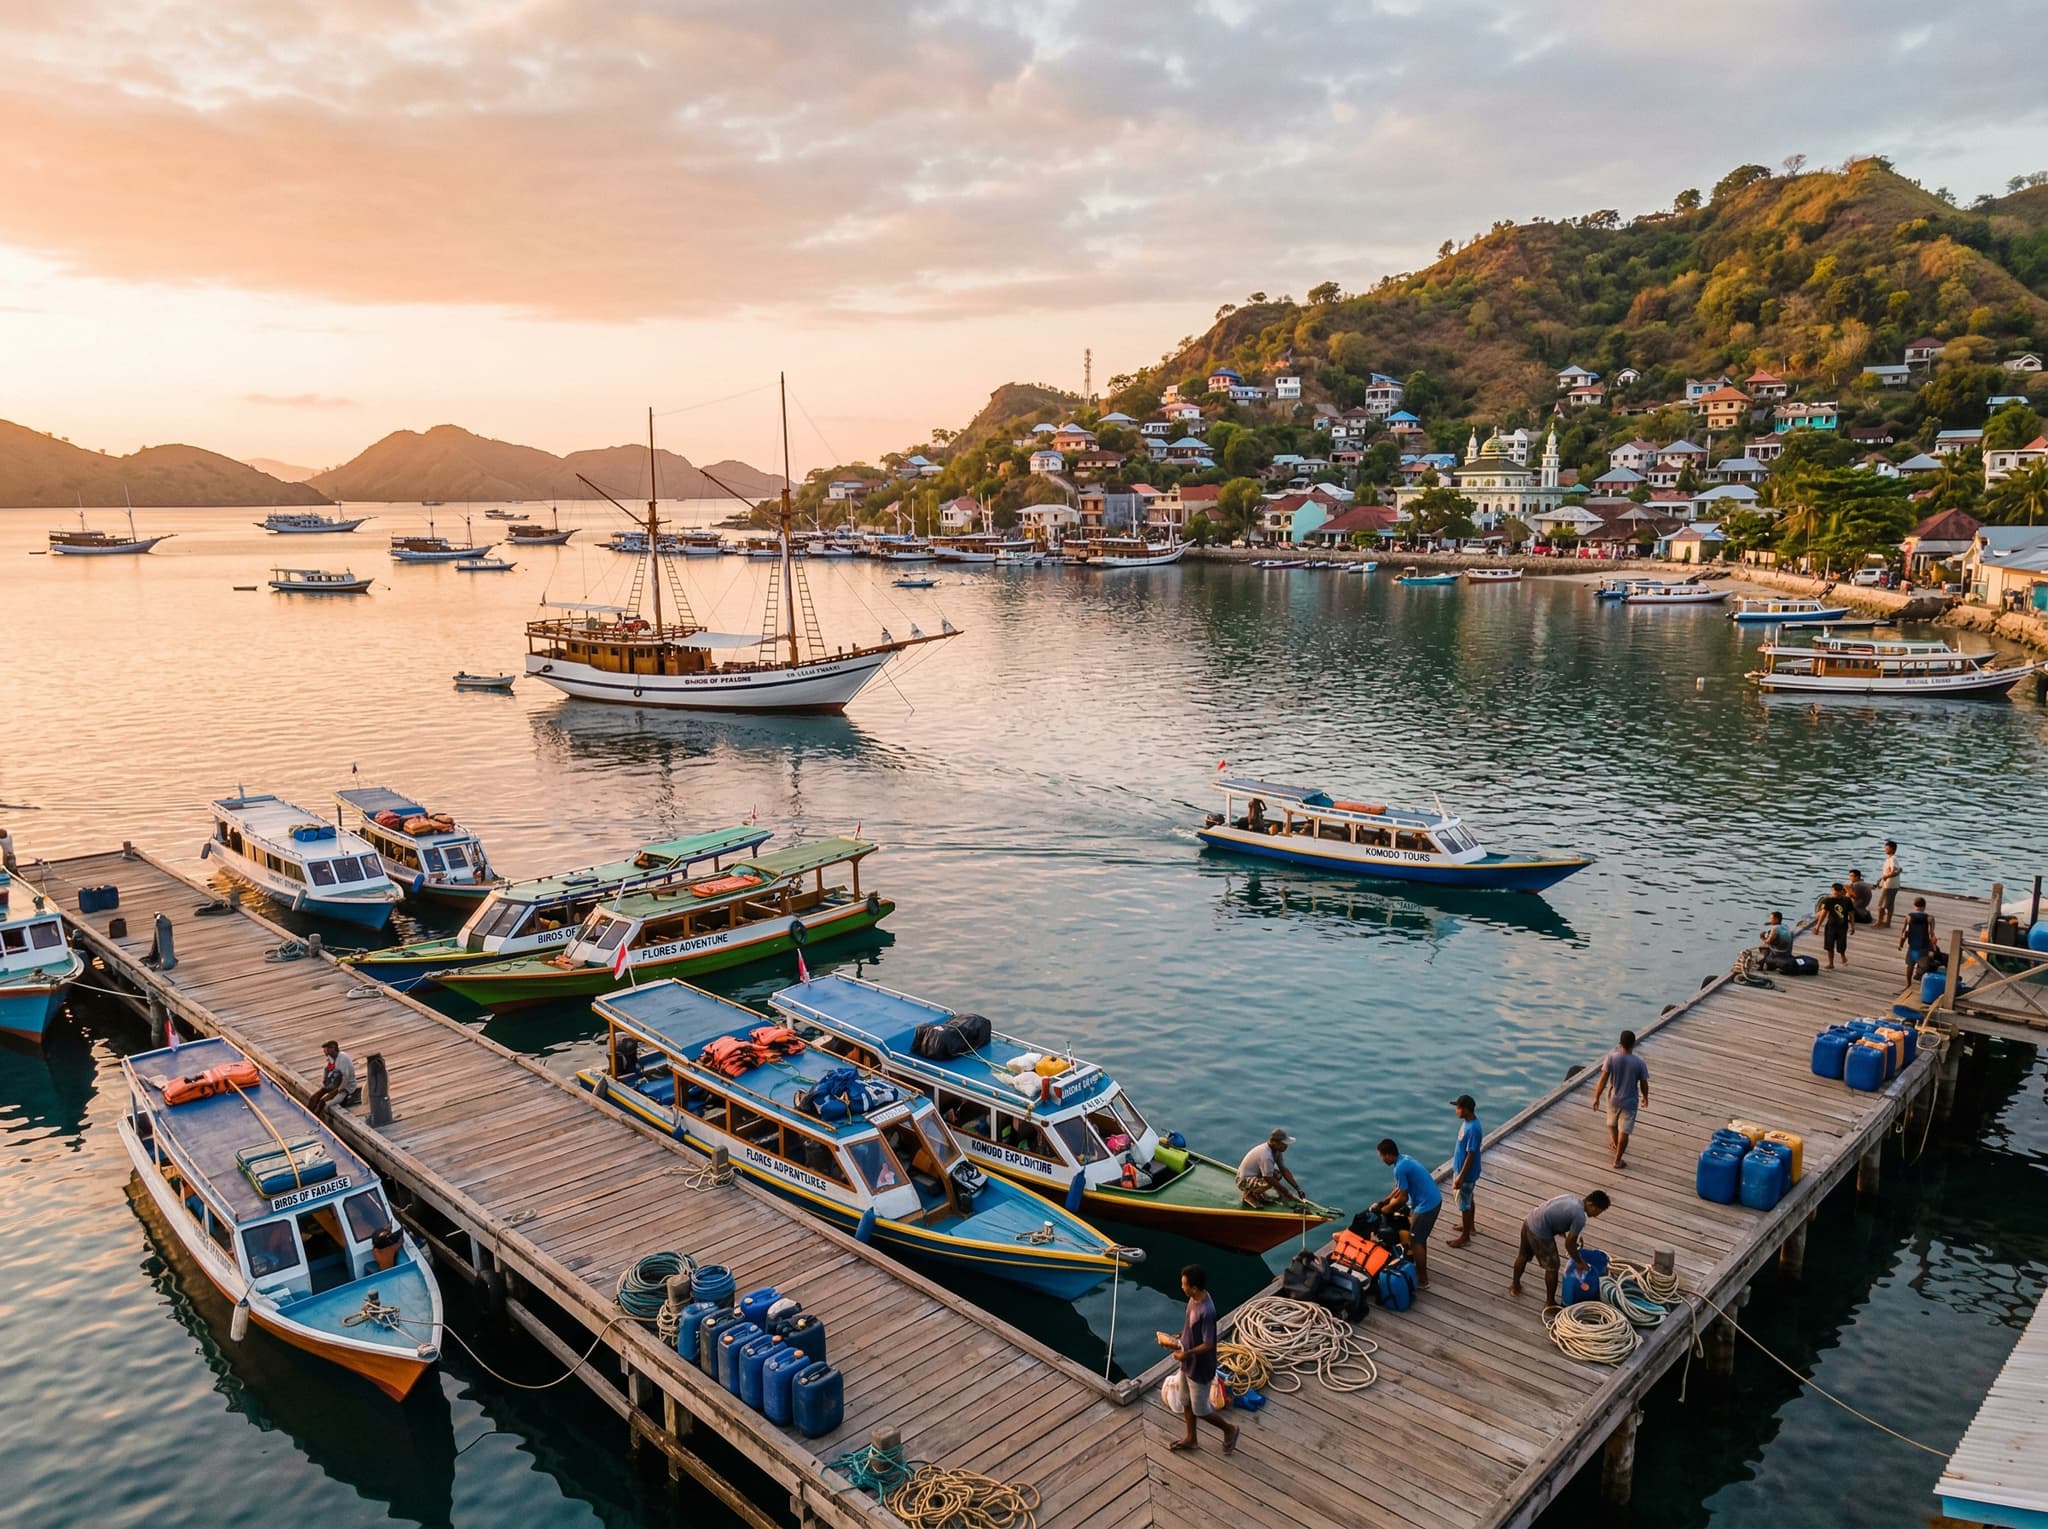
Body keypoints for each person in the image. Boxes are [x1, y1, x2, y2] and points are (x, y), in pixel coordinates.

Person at [1157, 1264, 1238, 1455]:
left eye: (1184, 1284)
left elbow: (1209, 1343)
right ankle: (1191, 1438)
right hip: (1187, 1363)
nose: (1182, 1287)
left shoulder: (1207, 1311)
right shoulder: (1193, 1300)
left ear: (1194, 1287)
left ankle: (1230, 1429)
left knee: (1201, 1409)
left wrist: (1187, 1353)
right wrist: (1176, 1342)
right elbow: (1190, 1329)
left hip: (1200, 1366)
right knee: (1185, 1401)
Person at [1511, 1190, 1610, 1306]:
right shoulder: (1580, 1217)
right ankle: (1550, 1303)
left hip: (1529, 1221)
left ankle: (1515, 1286)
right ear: (1590, 1204)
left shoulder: (1571, 1198)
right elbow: (1569, 1244)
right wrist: (1579, 1261)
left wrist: (1559, 1229)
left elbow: (1552, 1211)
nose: (1596, 1215)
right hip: (1540, 1232)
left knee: (1522, 1256)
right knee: (1552, 1268)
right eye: (1598, 1211)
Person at [1373, 1138, 1443, 1288]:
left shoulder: (1399, 1168)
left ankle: (1422, 1280)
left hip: (1427, 1205)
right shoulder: (1404, 1160)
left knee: (1416, 1241)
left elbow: (1403, 1199)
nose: (1382, 1160)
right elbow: (1398, 1189)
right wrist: (1383, 1202)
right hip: (1432, 1199)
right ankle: (1417, 1266)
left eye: (1381, 1156)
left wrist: (1387, 1210)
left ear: (1388, 1155)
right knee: (1418, 1237)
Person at [1589, 1031, 1650, 1170]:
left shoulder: (1611, 1058)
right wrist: (1645, 1097)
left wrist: (1596, 1097)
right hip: (1630, 1101)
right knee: (1624, 1131)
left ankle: (1616, 1143)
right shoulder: (1639, 1062)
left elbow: (1603, 1079)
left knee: (1611, 1124)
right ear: (1633, 1044)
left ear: (1620, 1044)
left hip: (1613, 1099)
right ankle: (1617, 1160)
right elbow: (1643, 1083)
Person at [1447, 1094, 1482, 1249]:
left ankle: (1465, 1237)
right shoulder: (1467, 1123)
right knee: (1469, 1199)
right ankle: (1470, 1226)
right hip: (1462, 1170)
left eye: (1458, 1108)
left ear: (1466, 1110)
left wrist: (1461, 1177)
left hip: (1466, 1174)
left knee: (1464, 1203)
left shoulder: (1474, 1128)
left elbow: (1471, 1154)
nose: (1456, 1111)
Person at [1236, 1128, 1304, 1209]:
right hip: (1243, 1180)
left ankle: (1257, 1193)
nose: (1286, 1146)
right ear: (1273, 1142)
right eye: (1283, 1144)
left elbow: (1284, 1170)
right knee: (1270, 1181)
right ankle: (1248, 1196)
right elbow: (1268, 1178)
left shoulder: (1276, 1151)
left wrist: (1297, 1188)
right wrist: (1286, 1192)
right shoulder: (1266, 1155)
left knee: (1277, 1174)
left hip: (1256, 1175)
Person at [310, 1040, 357, 1116]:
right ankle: (309, 1109)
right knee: (319, 1093)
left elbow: (346, 1077)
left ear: (333, 1048)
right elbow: (327, 1068)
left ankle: (316, 1115)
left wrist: (338, 1090)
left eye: (327, 1050)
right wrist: (325, 1079)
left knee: (324, 1102)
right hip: (335, 1083)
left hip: (346, 1086)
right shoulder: (331, 1057)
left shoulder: (343, 1059)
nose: (325, 1052)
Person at [1817, 882, 1857, 971]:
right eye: (1833, 891)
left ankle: (1843, 955)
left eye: (1836, 891)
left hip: (1842, 926)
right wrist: (1818, 926)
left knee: (1841, 944)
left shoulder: (1847, 900)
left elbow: (1851, 914)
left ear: (1841, 892)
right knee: (1829, 945)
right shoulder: (1829, 900)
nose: (1834, 893)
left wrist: (1853, 926)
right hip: (1831, 926)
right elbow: (1823, 914)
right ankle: (1831, 963)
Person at [1900, 897, 1937, 985]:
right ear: (1924, 906)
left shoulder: (1908, 916)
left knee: (1910, 965)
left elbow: (1904, 932)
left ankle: (1908, 983)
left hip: (1912, 946)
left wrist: (1901, 944)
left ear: (1914, 905)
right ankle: (1922, 983)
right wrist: (1933, 947)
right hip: (1924, 946)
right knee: (1924, 965)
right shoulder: (1930, 918)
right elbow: (1931, 933)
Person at [1877, 842, 1902, 928]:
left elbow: (1895, 871)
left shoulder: (1893, 859)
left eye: (1887, 848)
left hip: (1889, 885)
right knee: (1890, 904)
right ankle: (1887, 922)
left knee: (1881, 905)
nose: (1885, 849)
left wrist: (1885, 876)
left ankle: (1879, 922)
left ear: (1892, 849)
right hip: (1893, 885)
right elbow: (1899, 870)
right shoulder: (1891, 859)